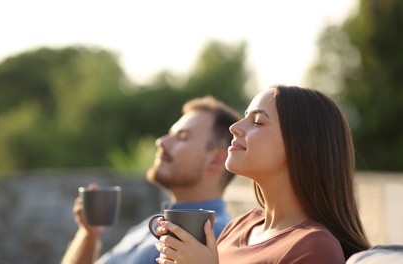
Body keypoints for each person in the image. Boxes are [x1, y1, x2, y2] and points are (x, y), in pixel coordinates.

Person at [154, 85, 371, 264]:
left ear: (300, 145)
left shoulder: (314, 247)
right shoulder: (238, 227)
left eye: (257, 122)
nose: (235, 127)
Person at [61, 96, 241, 264]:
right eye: (170, 134)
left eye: (182, 137)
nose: (161, 142)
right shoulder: (151, 224)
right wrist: (89, 234)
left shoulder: (214, 239)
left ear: (217, 159)